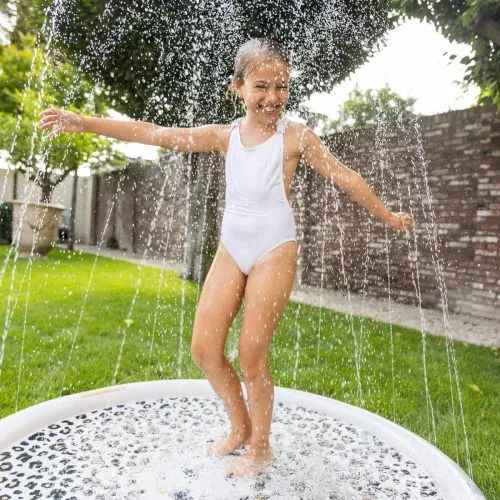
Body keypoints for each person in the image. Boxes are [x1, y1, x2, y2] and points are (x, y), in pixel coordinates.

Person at [38, 38, 413, 478]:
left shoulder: (296, 137)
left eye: (281, 86)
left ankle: (261, 447)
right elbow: (154, 133)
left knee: (252, 356)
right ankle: (239, 428)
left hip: (275, 249)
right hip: (232, 249)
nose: (272, 97)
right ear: (238, 87)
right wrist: (83, 123)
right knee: (203, 349)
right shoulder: (224, 136)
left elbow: (345, 177)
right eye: (261, 86)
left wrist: (387, 215)